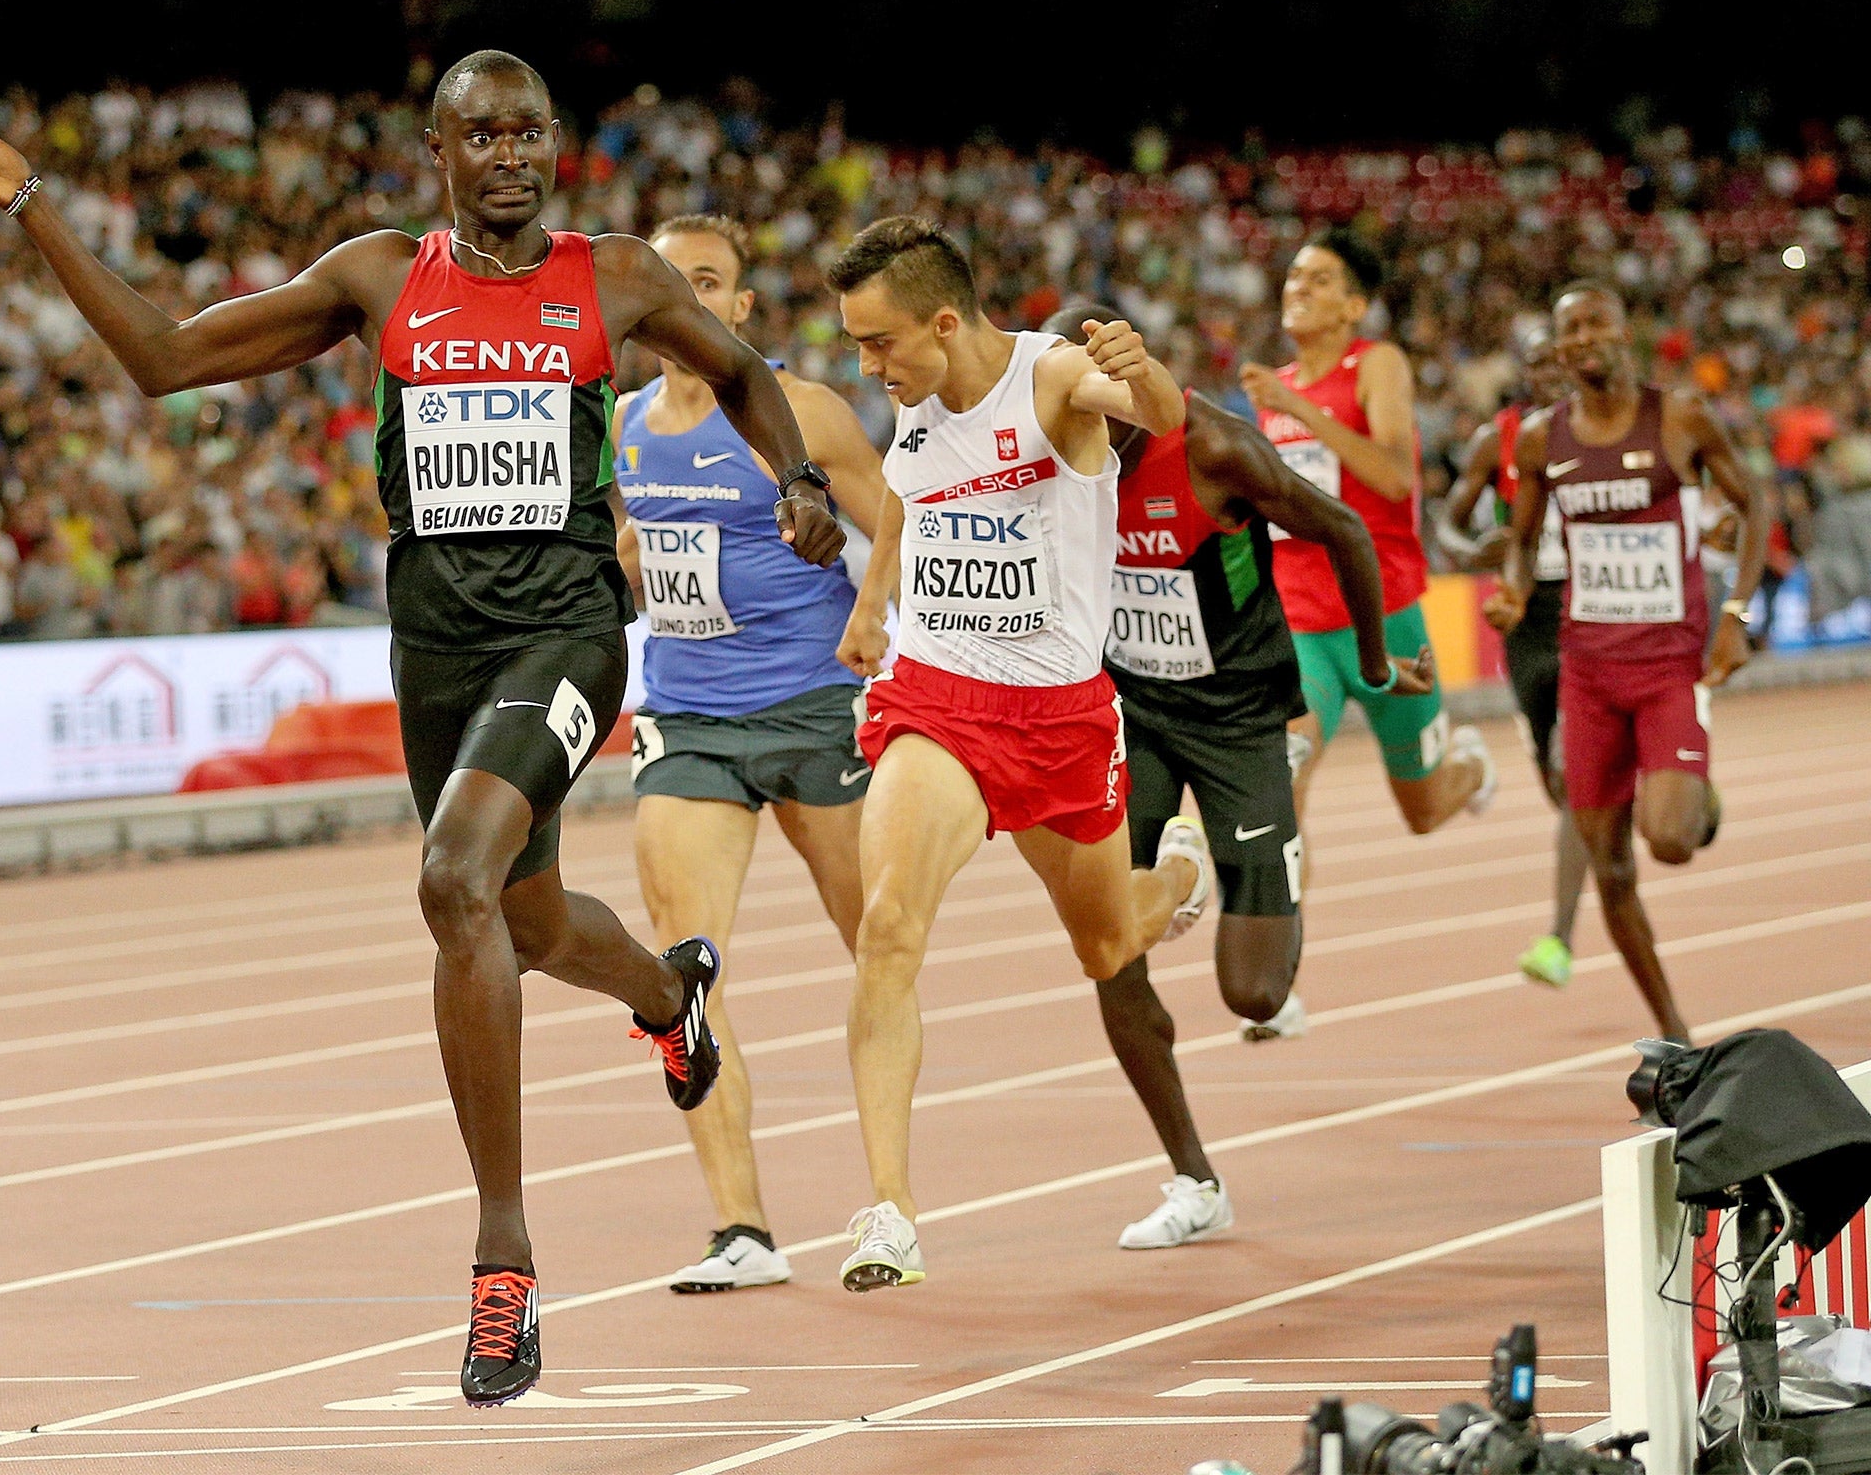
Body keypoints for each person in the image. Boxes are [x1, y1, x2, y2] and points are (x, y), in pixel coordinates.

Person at [0, 49, 845, 1406]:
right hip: (436, 650)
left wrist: (797, 475)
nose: (509, 156)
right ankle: (672, 994)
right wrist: (35, 200)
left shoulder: (615, 276)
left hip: (566, 630)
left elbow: (745, 372)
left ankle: (502, 1263)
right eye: (482, 136)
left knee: (452, 877)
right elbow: (163, 360)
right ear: (437, 151)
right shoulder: (377, 279)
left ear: (556, 146)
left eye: (530, 135)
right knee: (516, 921)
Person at [828, 216, 1206, 1292]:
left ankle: (1177, 870)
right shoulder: (910, 407)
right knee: (886, 927)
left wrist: (1144, 370)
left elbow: (1158, 416)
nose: (867, 366)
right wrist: (869, 604)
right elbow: (904, 503)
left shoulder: (1051, 378)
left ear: (943, 322)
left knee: (1105, 948)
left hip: (1060, 722)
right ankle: (889, 1212)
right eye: (855, 346)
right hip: (937, 701)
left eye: (879, 343)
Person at [1045, 305, 1434, 1248]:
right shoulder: (1046, 462)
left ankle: (1215, 854)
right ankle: (1193, 1177)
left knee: (1254, 995)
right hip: (1130, 719)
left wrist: (1375, 667)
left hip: (1239, 721)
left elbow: (1343, 530)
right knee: (1106, 945)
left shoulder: (1214, 450)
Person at [610, 214, 887, 1292]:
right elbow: (633, 540)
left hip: (818, 707)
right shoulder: (623, 424)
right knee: (683, 972)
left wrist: (882, 626)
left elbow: (894, 519)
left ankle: (886, 1206)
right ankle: (741, 1229)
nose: (685, 297)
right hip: (690, 721)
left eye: (708, 281)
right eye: (666, 281)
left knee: (881, 951)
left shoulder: (800, 409)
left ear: (738, 311)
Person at [1484, 282, 1770, 1044]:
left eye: (1596, 323)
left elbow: (1756, 503)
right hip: (1589, 674)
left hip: (1669, 666)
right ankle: (1673, 1027)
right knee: (1610, 866)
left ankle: (1690, 793)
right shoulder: (1543, 439)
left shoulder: (1678, 416)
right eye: (1569, 328)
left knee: (1669, 839)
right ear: (1558, 344)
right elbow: (1521, 536)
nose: (1584, 338)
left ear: (1624, 331)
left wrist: (1737, 616)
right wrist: (1513, 590)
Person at [1241, 230, 1496, 917]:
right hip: (1300, 626)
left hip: (1384, 620)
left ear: (1354, 306)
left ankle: (1469, 768)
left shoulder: (1375, 364)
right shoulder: (1275, 390)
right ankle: (1276, 968)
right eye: (1294, 276)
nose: (1299, 288)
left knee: (1424, 808)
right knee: (1280, 781)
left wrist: (1299, 411)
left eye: (1320, 279)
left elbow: (1390, 475)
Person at [1439, 328, 1589, 986]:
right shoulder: (1496, 439)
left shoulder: (1608, 431)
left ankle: (1559, 938)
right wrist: (1473, 552)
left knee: (1572, 762)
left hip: (1592, 610)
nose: (1552, 375)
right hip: (1526, 620)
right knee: (1558, 784)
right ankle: (1600, 829)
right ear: (1523, 375)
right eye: (1539, 365)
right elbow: (1448, 521)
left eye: (1561, 362)